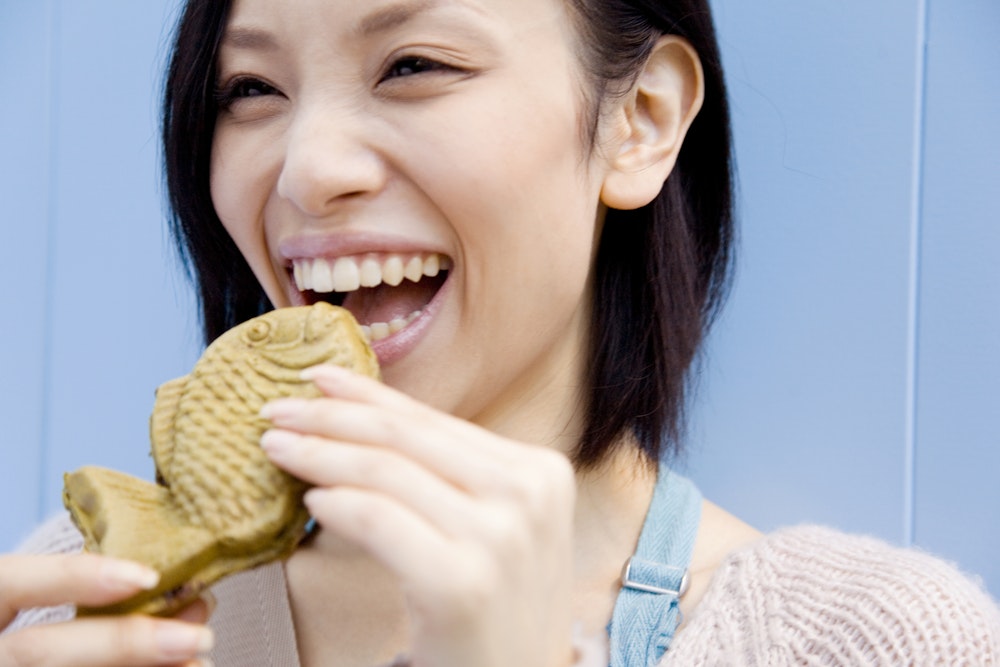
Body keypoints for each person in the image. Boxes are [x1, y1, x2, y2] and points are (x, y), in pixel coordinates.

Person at [2, 0, 998, 665]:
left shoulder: (875, 641)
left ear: (639, 118)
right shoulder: (77, 600)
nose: (307, 169)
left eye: (413, 64)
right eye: (250, 89)